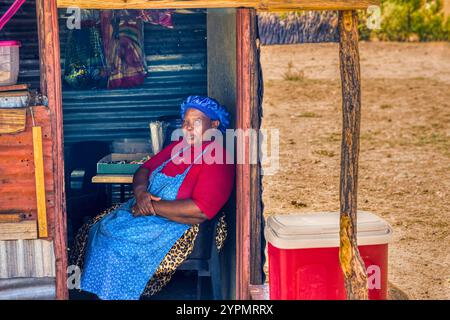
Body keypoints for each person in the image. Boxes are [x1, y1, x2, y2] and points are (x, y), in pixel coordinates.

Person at [78, 95, 235, 300]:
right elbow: (144, 169)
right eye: (185, 122)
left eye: (195, 122)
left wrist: (150, 207)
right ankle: (99, 293)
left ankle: (117, 295)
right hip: (147, 213)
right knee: (96, 229)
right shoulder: (177, 147)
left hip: (178, 226)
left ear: (214, 124)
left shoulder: (218, 158)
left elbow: (200, 210)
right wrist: (141, 193)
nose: (187, 128)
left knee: (114, 246)